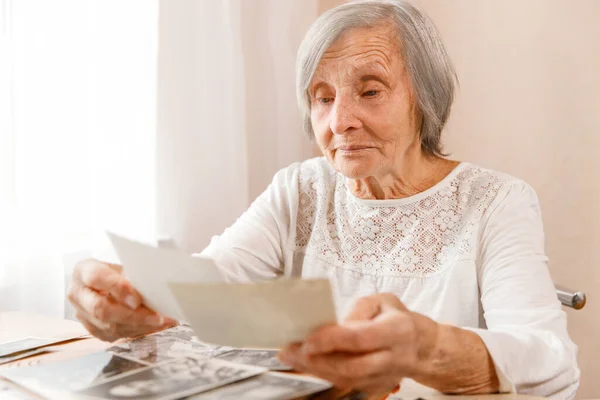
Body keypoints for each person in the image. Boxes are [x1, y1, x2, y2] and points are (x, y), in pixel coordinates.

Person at [67, 0, 580, 398]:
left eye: (371, 90)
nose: (339, 122)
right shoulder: (301, 188)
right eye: (322, 97)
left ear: (425, 98)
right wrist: (133, 296)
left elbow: (554, 364)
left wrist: (426, 347)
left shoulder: (496, 200)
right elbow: (208, 285)